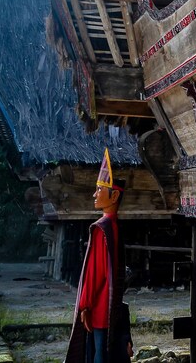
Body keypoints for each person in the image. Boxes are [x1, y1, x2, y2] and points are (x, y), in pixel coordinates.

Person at [65, 149, 134, 363]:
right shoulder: (114, 228)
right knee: (104, 352)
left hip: (99, 307)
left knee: (97, 354)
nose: (94, 194)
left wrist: (84, 305)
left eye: (99, 189)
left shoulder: (100, 229)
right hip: (111, 306)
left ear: (114, 195)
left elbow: (94, 274)